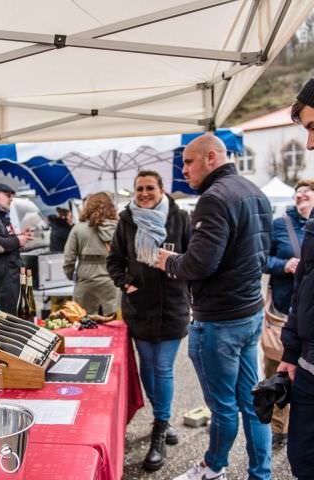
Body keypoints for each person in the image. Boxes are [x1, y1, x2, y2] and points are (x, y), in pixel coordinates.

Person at [156, 133, 272, 480]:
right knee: (253, 403)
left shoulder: (214, 198)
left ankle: (212, 467)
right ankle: (261, 473)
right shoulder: (256, 192)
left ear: (211, 157)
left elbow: (199, 264)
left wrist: (168, 261)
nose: (184, 171)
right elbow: (261, 256)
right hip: (249, 313)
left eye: (188, 163)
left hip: (220, 321)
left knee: (222, 408)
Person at [107, 171, 190, 471]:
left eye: (150, 188)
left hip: (172, 307)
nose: (144, 193)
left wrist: (183, 278)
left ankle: (159, 428)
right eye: (139, 188)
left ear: (162, 189)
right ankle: (163, 417)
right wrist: (126, 282)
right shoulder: (127, 220)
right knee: (148, 367)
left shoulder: (180, 218)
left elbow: (194, 258)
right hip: (139, 307)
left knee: (163, 368)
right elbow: (114, 260)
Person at [279, 77, 314, 480]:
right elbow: (308, 281)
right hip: (307, 367)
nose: (308, 144)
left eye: (311, 127)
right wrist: (291, 354)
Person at [263, 178, 314, 448]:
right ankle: (279, 427)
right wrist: (283, 265)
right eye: (297, 193)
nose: (300, 195)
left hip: (310, 321)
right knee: (278, 371)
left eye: (306, 192)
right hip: (283, 313)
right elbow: (262, 259)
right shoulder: (280, 225)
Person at [0, 183, 33, 314]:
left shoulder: (0, 213)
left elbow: (3, 236)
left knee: (14, 313)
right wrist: (17, 240)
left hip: (9, 274)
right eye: (8, 195)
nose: (11, 199)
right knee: (5, 317)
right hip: (1, 277)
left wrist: (20, 236)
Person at [63, 192, 118, 315]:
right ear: (110, 207)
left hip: (85, 284)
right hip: (111, 284)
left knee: (84, 326)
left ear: (88, 206)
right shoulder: (118, 228)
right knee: (114, 326)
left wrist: (72, 276)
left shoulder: (78, 229)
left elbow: (69, 259)